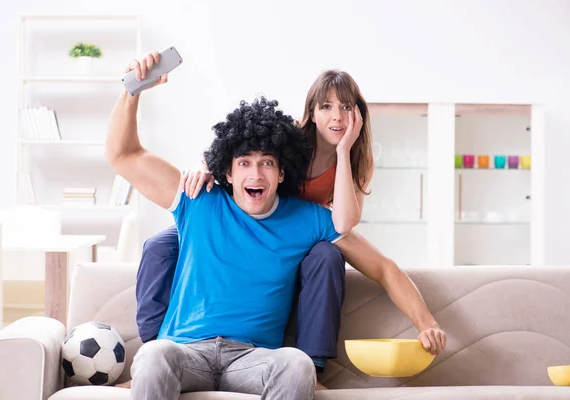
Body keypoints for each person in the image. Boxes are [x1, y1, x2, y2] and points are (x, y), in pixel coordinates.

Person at [134, 67, 448, 387]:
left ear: (359, 115)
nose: (336, 116)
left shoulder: (355, 162)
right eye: (326, 106)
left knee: (326, 255)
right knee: (159, 245)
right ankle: (157, 354)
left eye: (346, 107)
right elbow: (242, 152)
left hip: (293, 237)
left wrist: (426, 323)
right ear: (311, 113)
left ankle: (312, 365)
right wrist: (206, 165)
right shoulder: (289, 139)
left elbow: (347, 226)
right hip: (247, 224)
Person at [106, 50, 350, 399]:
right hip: (186, 351)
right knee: (153, 354)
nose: (256, 173)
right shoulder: (198, 199)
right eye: (245, 163)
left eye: (267, 163)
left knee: (297, 364)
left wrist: (344, 150)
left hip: (252, 358)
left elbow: (351, 228)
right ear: (227, 171)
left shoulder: (306, 218)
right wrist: (132, 91)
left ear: (282, 173)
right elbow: (123, 155)